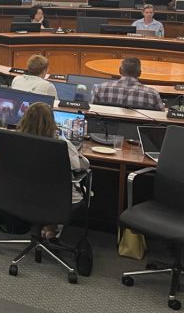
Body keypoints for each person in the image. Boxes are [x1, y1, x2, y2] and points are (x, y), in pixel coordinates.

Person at [15, 103, 90, 240]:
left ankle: (49, 227)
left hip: (23, 194)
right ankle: (52, 230)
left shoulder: (15, 140)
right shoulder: (62, 144)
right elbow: (79, 166)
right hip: (58, 199)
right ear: (52, 122)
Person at [93, 57, 163, 111]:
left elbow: (91, 111)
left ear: (120, 70)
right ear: (139, 73)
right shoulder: (153, 94)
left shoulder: (100, 89)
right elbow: (161, 117)